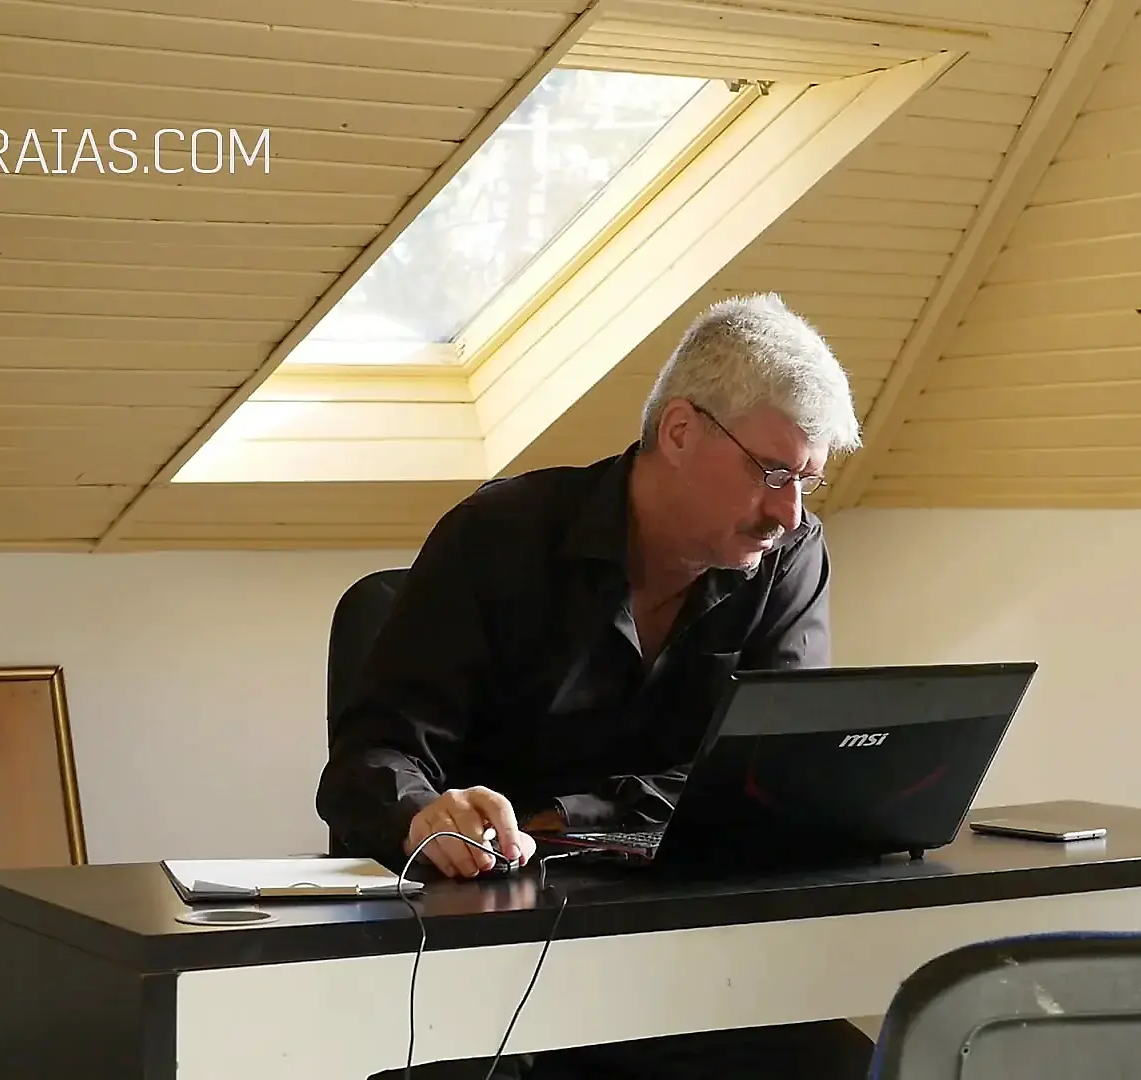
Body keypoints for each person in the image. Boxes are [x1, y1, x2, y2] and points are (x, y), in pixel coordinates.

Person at [316, 293, 874, 1079]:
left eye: (806, 483)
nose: (787, 512)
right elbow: (371, 759)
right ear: (679, 431)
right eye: (774, 472)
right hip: (482, 958)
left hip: (679, 955)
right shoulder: (498, 536)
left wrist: (560, 818)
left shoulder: (791, 557)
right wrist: (423, 817)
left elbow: (770, 775)